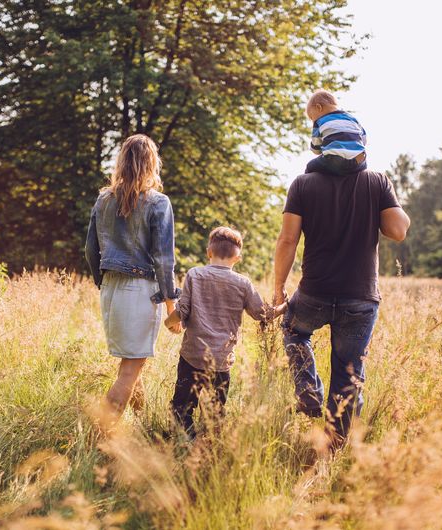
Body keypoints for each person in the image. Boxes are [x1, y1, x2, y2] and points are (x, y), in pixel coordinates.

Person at [273, 120, 411, 448]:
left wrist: (279, 286)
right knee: (349, 376)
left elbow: (288, 240)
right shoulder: (377, 182)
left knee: (294, 330)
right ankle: (334, 450)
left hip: (314, 292)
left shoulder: (302, 184)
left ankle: (308, 390)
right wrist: (384, 194)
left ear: (320, 148)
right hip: (360, 298)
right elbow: (398, 230)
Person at [85, 134, 181, 417]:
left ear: (122, 162)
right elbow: (164, 259)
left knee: (131, 363)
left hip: (111, 289)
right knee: (130, 369)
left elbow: (90, 251)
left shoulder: (103, 199)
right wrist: (171, 307)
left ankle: (141, 423)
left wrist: (102, 283)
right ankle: (99, 436)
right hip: (139, 291)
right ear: (153, 164)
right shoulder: (158, 202)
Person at [164, 227, 286, 439]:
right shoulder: (243, 283)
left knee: (181, 407)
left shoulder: (194, 274)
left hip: (192, 356)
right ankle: (210, 446)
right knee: (215, 412)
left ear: (208, 252)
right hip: (221, 360)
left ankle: (186, 442)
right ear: (237, 258)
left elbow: (182, 312)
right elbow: (263, 314)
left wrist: (167, 323)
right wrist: (285, 306)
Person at [305, 89, 368, 176]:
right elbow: (364, 140)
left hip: (335, 162)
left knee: (310, 166)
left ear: (319, 107)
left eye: (312, 118)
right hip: (359, 160)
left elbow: (316, 150)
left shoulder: (319, 122)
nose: (313, 121)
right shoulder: (353, 119)